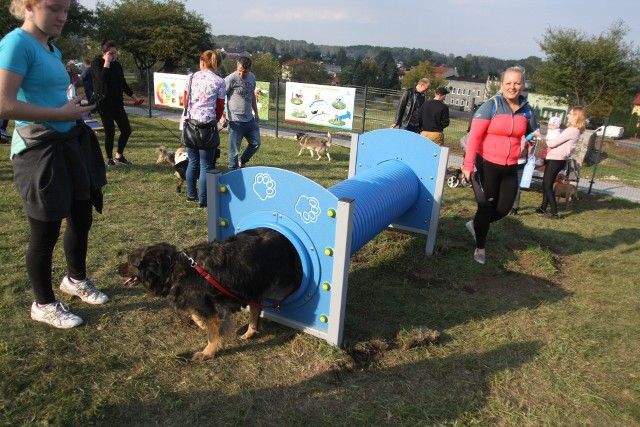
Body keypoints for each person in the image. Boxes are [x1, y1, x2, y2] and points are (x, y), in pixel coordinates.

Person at [0, 0, 109, 328]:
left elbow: (47, 95)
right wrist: (60, 113)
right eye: (53, 8)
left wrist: (70, 105)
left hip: (69, 143)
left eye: (66, 9)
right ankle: (43, 303)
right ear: (28, 6)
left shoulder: (50, 48)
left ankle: (75, 280)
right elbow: (4, 104)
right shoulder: (16, 44)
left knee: (82, 215)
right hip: (39, 151)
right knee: (45, 231)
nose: (62, 16)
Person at [462, 66, 537, 264]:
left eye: (517, 83)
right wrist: (468, 165)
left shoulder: (527, 110)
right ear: (502, 85)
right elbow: (474, 138)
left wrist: (531, 141)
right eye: (508, 83)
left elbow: (533, 133)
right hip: (486, 163)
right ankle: (480, 247)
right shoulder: (491, 106)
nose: (512, 87)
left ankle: (475, 225)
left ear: (523, 85)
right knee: (486, 206)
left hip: (510, 166)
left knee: (503, 209)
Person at [184, 49, 226, 208]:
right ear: (217, 64)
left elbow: (186, 100)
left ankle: (190, 195)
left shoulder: (191, 77)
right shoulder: (219, 81)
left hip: (191, 124)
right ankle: (203, 200)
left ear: (202, 61)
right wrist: (215, 120)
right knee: (206, 165)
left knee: (192, 162)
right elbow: (220, 106)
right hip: (207, 127)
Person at [91, 40, 143, 166]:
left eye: (115, 53)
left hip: (117, 103)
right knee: (110, 132)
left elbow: (123, 84)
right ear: (103, 53)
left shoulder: (117, 65)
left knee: (126, 130)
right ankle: (109, 158)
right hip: (104, 103)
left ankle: (119, 156)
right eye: (110, 53)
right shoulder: (96, 63)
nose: (113, 55)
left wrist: (135, 98)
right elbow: (102, 79)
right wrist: (107, 62)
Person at [534, 107, 585, 219]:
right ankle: (543, 207)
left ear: (576, 116)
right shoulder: (573, 130)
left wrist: (545, 138)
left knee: (547, 185)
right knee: (546, 184)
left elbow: (552, 143)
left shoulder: (572, 130)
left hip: (556, 159)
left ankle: (554, 212)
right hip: (556, 159)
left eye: (570, 114)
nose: (568, 115)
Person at [223, 56, 260, 170]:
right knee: (234, 150)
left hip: (249, 119)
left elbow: (252, 95)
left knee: (256, 143)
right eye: (239, 71)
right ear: (237, 67)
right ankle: (232, 171)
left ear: (249, 70)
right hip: (235, 120)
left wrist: (256, 113)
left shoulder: (252, 78)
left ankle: (243, 161)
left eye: (244, 72)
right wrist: (222, 115)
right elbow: (220, 97)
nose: (241, 74)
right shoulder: (230, 79)